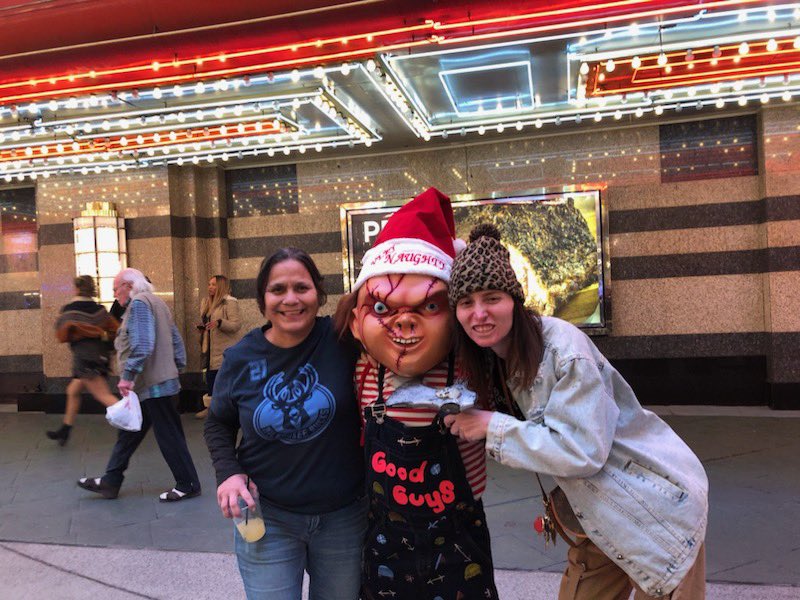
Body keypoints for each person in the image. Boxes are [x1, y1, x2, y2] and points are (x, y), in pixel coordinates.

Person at [446, 223, 709, 600]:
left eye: (492, 298)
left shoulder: (564, 350)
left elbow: (581, 450)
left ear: (515, 299)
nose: (479, 313)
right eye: (466, 303)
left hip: (653, 510)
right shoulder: (492, 358)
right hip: (597, 516)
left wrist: (491, 426)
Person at [334, 188, 499, 599]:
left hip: (459, 535)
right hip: (386, 539)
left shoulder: (473, 364)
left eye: (429, 307)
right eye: (382, 308)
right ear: (356, 323)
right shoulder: (361, 371)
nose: (404, 323)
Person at [204, 248, 365, 600]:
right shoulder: (240, 358)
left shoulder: (343, 339)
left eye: (301, 288)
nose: (290, 299)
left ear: (319, 294)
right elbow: (217, 422)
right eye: (278, 289)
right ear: (263, 299)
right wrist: (228, 472)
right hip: (266, 515)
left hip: (344, 517)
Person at [77, 268, 202, 502]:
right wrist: (177, 365)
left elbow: (143, 344)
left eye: (115, 289)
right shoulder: (158, 303)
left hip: (154, 385)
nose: (114, 294)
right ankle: (111, 481)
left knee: (169, 436)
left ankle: (188, 484)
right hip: (153, 384)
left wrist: (128, 376)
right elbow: (175, 339)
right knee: (129, 433)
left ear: (128, 285)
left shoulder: (140, 304)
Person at [47, 275, 120, 446]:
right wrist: (99, 333)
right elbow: (116, 330)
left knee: (104, 396)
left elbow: (61, 335)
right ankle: (65, 430)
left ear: (77, 289)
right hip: (100, 356)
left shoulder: (69, 311)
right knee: (73, 391)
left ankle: (134, 422)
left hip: (85, 359)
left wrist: (81, 331)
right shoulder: (100, 310)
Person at [195, 274, 242, 419]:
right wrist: (202, 328)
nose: (210, 287)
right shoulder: (207, 303)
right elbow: (207, 322)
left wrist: (220, 323)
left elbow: (236, 325)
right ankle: (211, 407)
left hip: (224, 347)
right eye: (209, 284)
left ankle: (225, 409)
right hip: (209, 346)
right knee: (210, 376)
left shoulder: (229, 302)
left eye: (214, 284)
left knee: (221, 377)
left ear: (221, 286)